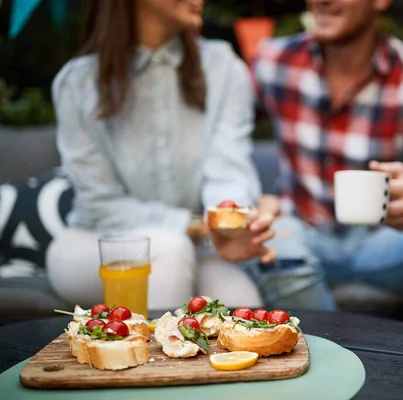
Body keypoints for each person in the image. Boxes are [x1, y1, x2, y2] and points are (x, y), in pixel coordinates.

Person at [252, 0, 403, 340]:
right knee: (276, 238)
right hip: (301, 239)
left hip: (384, 243)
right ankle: (333, 378)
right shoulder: (272, 61)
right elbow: (223, 143)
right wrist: (253, 197)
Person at [47, 0, 278, 310]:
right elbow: (100, 204)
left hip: (195, 247)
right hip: (93, 241)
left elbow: (228, 171)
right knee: (170, 249)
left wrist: (232, 223)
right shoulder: (76, 83)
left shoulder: (224, 68)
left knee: (240, 302)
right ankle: (151, 359)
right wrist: (197, 226)